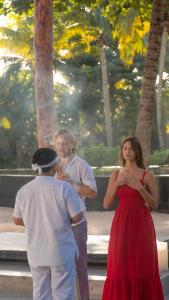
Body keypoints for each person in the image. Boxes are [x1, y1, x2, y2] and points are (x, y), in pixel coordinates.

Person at [13, 148, 83, 300]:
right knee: (63, 294)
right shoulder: (64, 187)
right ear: (55, 165)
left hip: (36, 253)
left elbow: (17, 220)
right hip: (60, 251)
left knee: (40, 295)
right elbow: (77, 217)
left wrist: (36, 221)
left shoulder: (23, 191)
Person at [102, 136, 164, 300]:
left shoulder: (147, 175)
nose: (128, 151)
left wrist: (140, 188)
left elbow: (154, 204)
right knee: (119, 265)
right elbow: (106, 204)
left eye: (131, 148)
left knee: (141, 264)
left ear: (137, 152)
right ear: (122, 152)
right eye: (125, 148)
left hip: (141, 225)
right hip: (121, 224)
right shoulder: (115, 175)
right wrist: (117, 184)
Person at [54, 129, 97, 300]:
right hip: (56, 221)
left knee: (79, 265)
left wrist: (72, 184)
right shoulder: (52, 165)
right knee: (58, 265)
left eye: (65, 143)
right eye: (58, 143)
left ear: (72, 144)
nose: (62, 146)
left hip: (77, 223)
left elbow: (93, 191)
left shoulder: (81, 165)